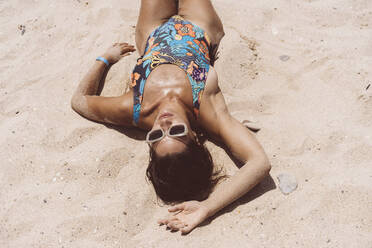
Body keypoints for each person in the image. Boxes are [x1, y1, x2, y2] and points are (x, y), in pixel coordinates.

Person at [71, 0, 271, 234]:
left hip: (152, 32)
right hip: (200, 27)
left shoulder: (134, 109)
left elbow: (79, 100)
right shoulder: (206, 107)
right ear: (195, 138)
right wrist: (207, 208)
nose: (164, 123)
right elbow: (259, 163)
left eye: (156, 136)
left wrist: (104, 59)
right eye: (176, 131)